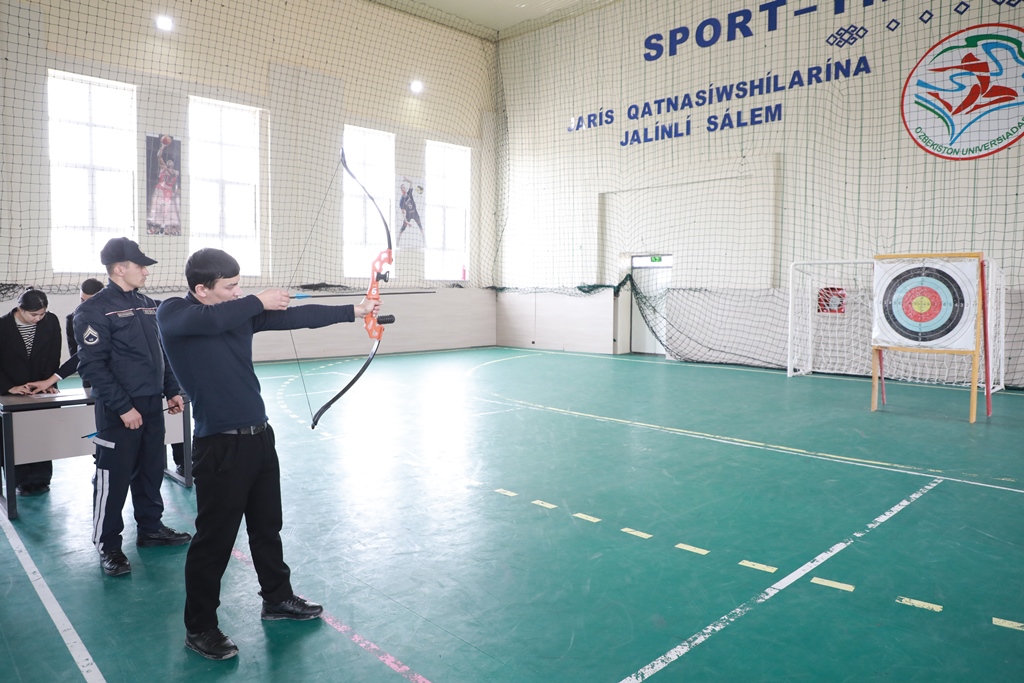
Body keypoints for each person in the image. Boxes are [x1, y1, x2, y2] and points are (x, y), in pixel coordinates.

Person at [157, 247, 382, 661]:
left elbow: (296, 316)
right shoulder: (174, 313)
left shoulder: (238, 313)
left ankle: (277, 598)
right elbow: (214, 319)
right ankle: (200, 628)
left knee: (267, 526)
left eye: (239, 286)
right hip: (219, 445)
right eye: (230, 287)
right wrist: (257, 300)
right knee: (213, 542)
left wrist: (355, 310)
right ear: (201, 289)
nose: (237, 292)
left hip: (259, 437)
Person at [74, 237, 191, 578]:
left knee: (151, 469)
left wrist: (172, 389)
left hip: (152, 404)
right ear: (119, 269)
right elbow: (92, 366)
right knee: (113, 477)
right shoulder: (93, 310)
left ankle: (151, 528)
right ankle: (108, 545)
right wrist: (124, 407)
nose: (146, 271)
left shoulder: (147, 304)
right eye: (140, 266)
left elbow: (162, 351)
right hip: (118, 410)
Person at [0, 288, 80, 495]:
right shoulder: (3, 326)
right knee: (16, 435)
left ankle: (41, 478)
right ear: (20, 309)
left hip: (43, 386)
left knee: (43, 431)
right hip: (13, 389)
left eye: (42, 314)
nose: (38, 318)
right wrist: (9, 387)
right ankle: (20, 480)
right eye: (33, 314)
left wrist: (49, 382)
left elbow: (54, 354)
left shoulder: (50, 321)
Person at [65, 278, 103, 390]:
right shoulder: (72, 319)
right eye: (82, 301)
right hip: (89, 374)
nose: (85, 305)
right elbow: (75, 352)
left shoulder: (114, 317)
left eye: (90, 301)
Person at [146, 137, 181, 235]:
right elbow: (158, 156)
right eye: (168, 161)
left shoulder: (175, 171)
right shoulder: (163, 168)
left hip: (168, 190)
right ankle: (152, 215)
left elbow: (173, 175)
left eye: (170, 161)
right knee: (158, 192)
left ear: (172, 165)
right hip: (161, 187)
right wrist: (163, 146)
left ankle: (163, 226)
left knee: (165, 210)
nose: (169, 161)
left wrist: (166, 168)